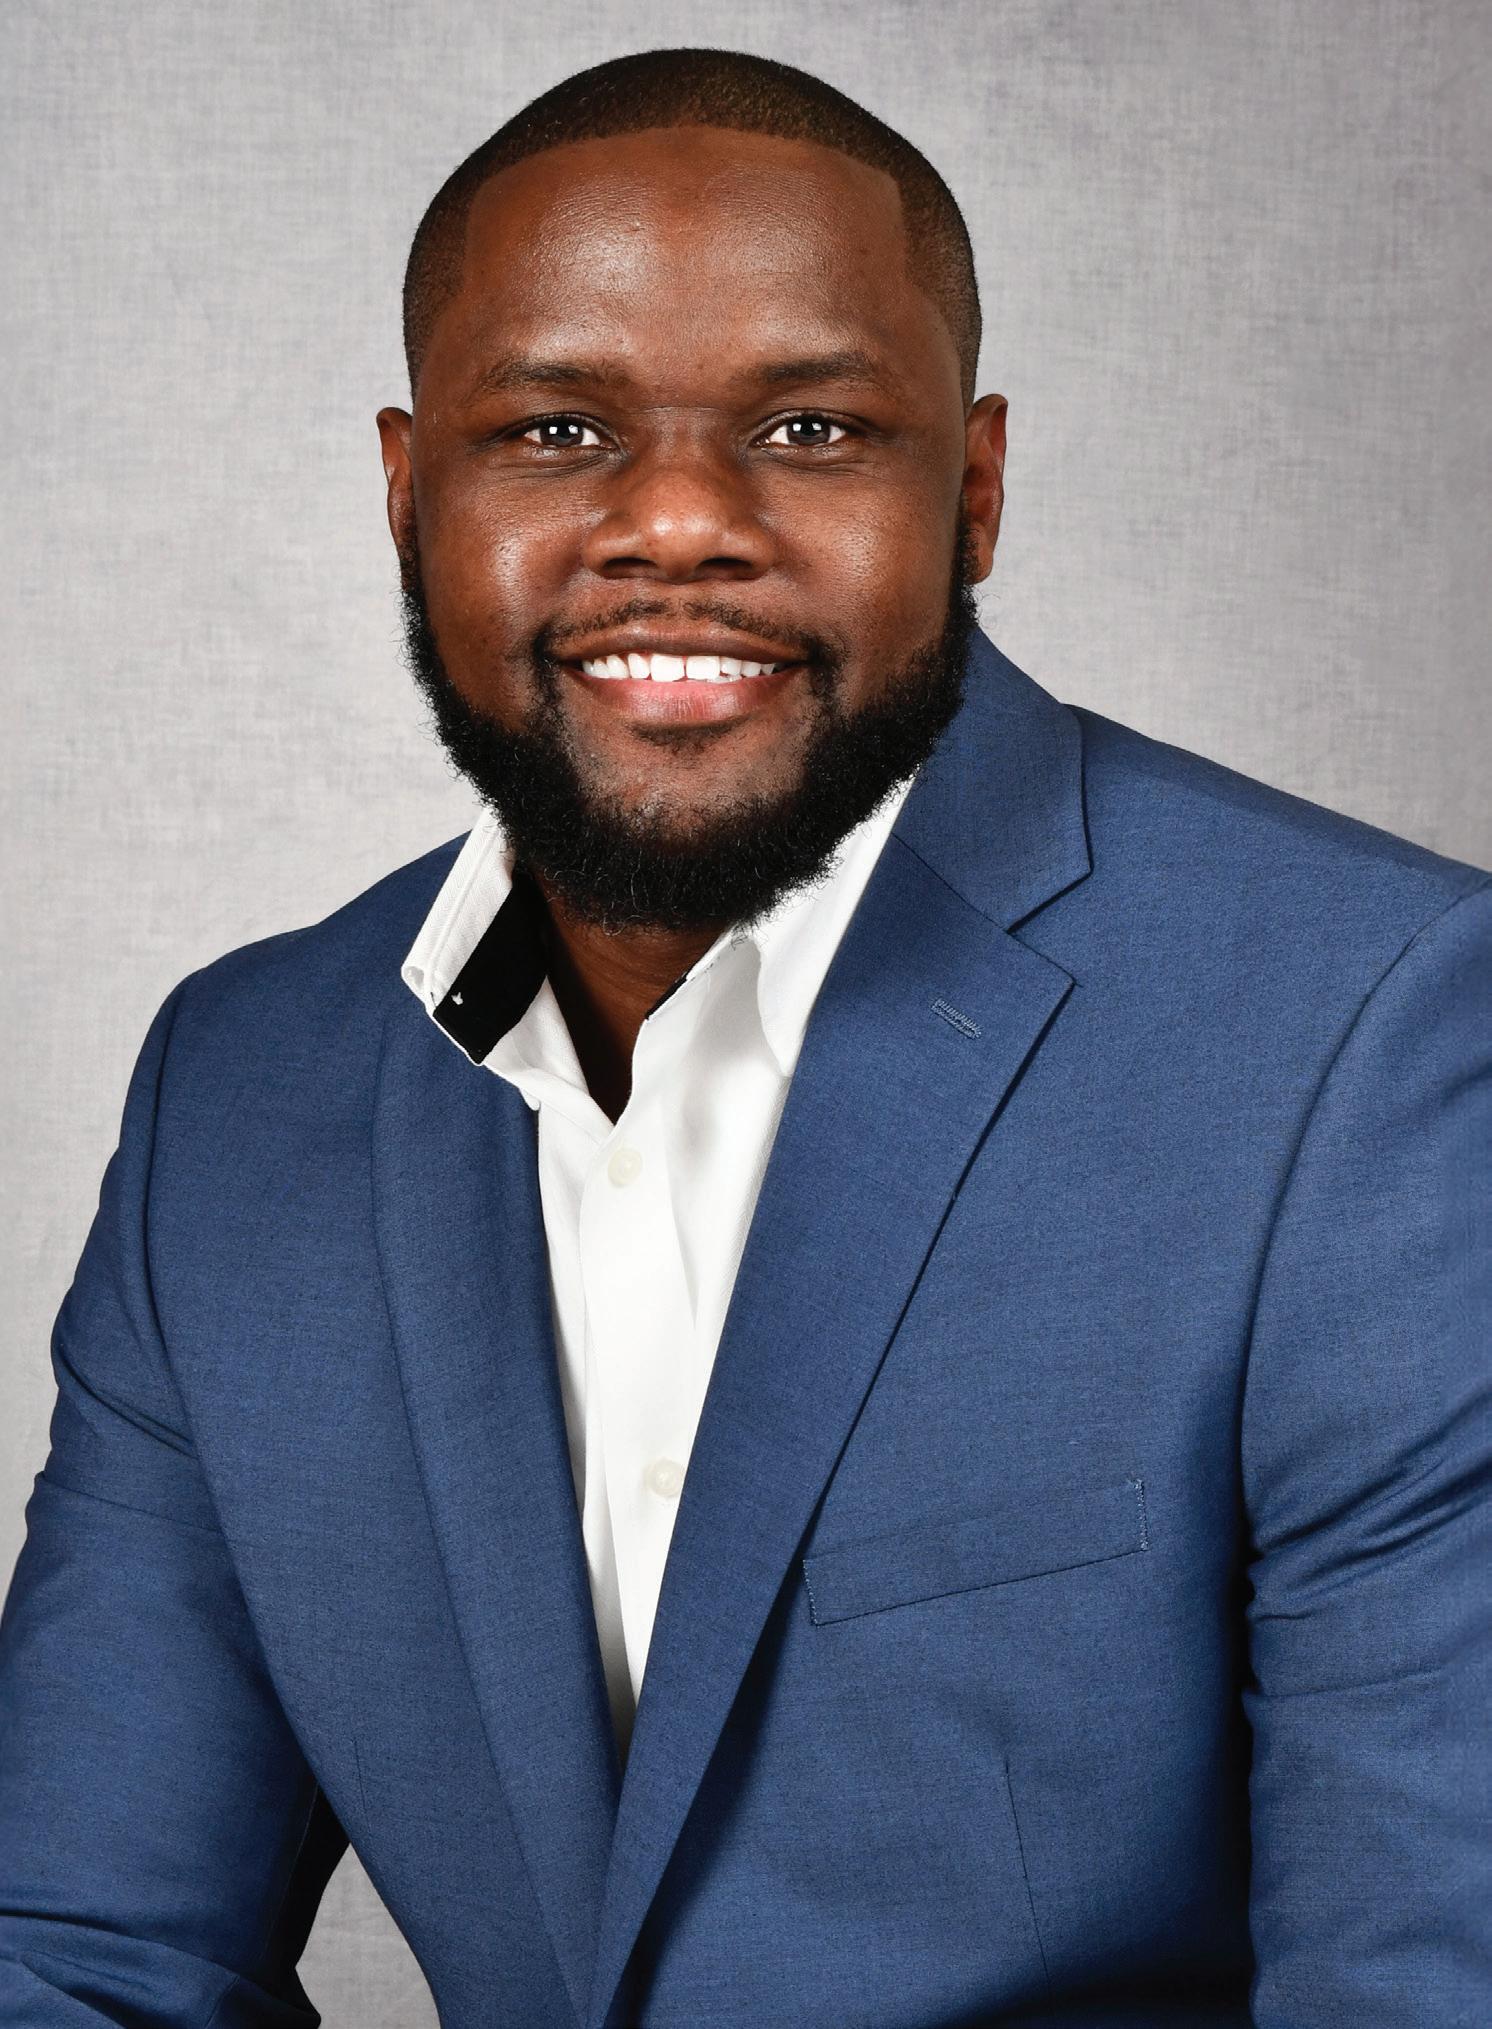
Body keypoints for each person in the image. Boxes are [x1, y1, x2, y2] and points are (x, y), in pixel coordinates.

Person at [0, 43, 1486, 2029]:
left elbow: (1427, 1979)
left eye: (809, 426)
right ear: (408, 492)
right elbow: (81, 1946)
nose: (680, 520)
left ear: (971, 493)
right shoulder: (241, 1088)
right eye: (553, 429)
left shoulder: (1370, 1035)